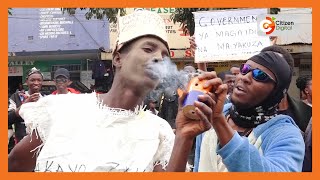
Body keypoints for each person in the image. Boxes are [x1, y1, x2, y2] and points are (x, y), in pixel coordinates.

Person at [8, 10, 215, 172]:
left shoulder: (159, 131)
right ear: (118, 58)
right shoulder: (61, 109)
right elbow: (14, 166)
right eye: (148, 48)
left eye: (164, 55)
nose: (159, 58)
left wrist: (184, 137)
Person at [191, 44, 305, 171]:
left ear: (277, 93)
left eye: (259, 75)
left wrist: (219, 122)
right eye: (244, 69)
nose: (245, 77)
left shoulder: (286, 135)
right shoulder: (212, 116)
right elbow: (198, 167)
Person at [262, 46, 311, 133]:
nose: (266, 73)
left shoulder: (308, 113)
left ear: (288, 74)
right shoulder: (240, 114)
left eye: (275, 67)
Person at [8, 67, 44, 152]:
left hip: (42, 144)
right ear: (26, 82)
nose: (36, 83)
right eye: (33, 80)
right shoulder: (16, 97)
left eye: (39, 80)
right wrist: (26, 104)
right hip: (22, 144)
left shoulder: (46, 98)